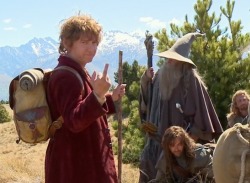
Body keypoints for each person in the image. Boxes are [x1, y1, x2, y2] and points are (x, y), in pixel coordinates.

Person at [45, 14, 126, 183]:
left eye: (94, 42)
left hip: (84, 165)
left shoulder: (78, 71)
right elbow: (75, 120)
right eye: (84, 42)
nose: (91, 48)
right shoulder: (65, 76)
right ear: (68, 43)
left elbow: (85, 109)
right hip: (75, 168)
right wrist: (97, 95)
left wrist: (110, 98)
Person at [139, 32, 223, 182]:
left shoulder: (191, 80)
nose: (169, 61)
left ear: (182, 62)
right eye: (169, 57)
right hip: (158, 143)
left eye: (174, 58)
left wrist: (185, 145)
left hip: (181, 147)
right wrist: (146, 80)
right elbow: (149, 102)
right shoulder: (159, 76)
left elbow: (202, 117)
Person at [149, 126, 214, 183]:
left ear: (185, 143)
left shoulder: (199, 154)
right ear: (167, 146)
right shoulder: (166, 157)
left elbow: (216, 176)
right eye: (172, 145)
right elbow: (159, 179)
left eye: (179, 144)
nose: (176, 149)